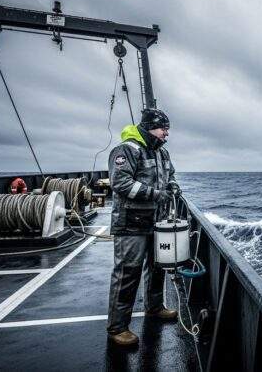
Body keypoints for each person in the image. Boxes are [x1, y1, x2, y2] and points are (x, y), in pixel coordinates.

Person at [106, 108, 182, 346]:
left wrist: (173, 187)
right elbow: (120, 183)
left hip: (156, 222)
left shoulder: (163, 152)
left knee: (157, 267)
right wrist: (157, 195)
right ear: (150, 127)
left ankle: (155, 307)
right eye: (164, 129)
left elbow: (171, 176)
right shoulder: (126, 150)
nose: (167, 134)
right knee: (128, 274)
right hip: (130, 225)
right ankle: (117, 328)